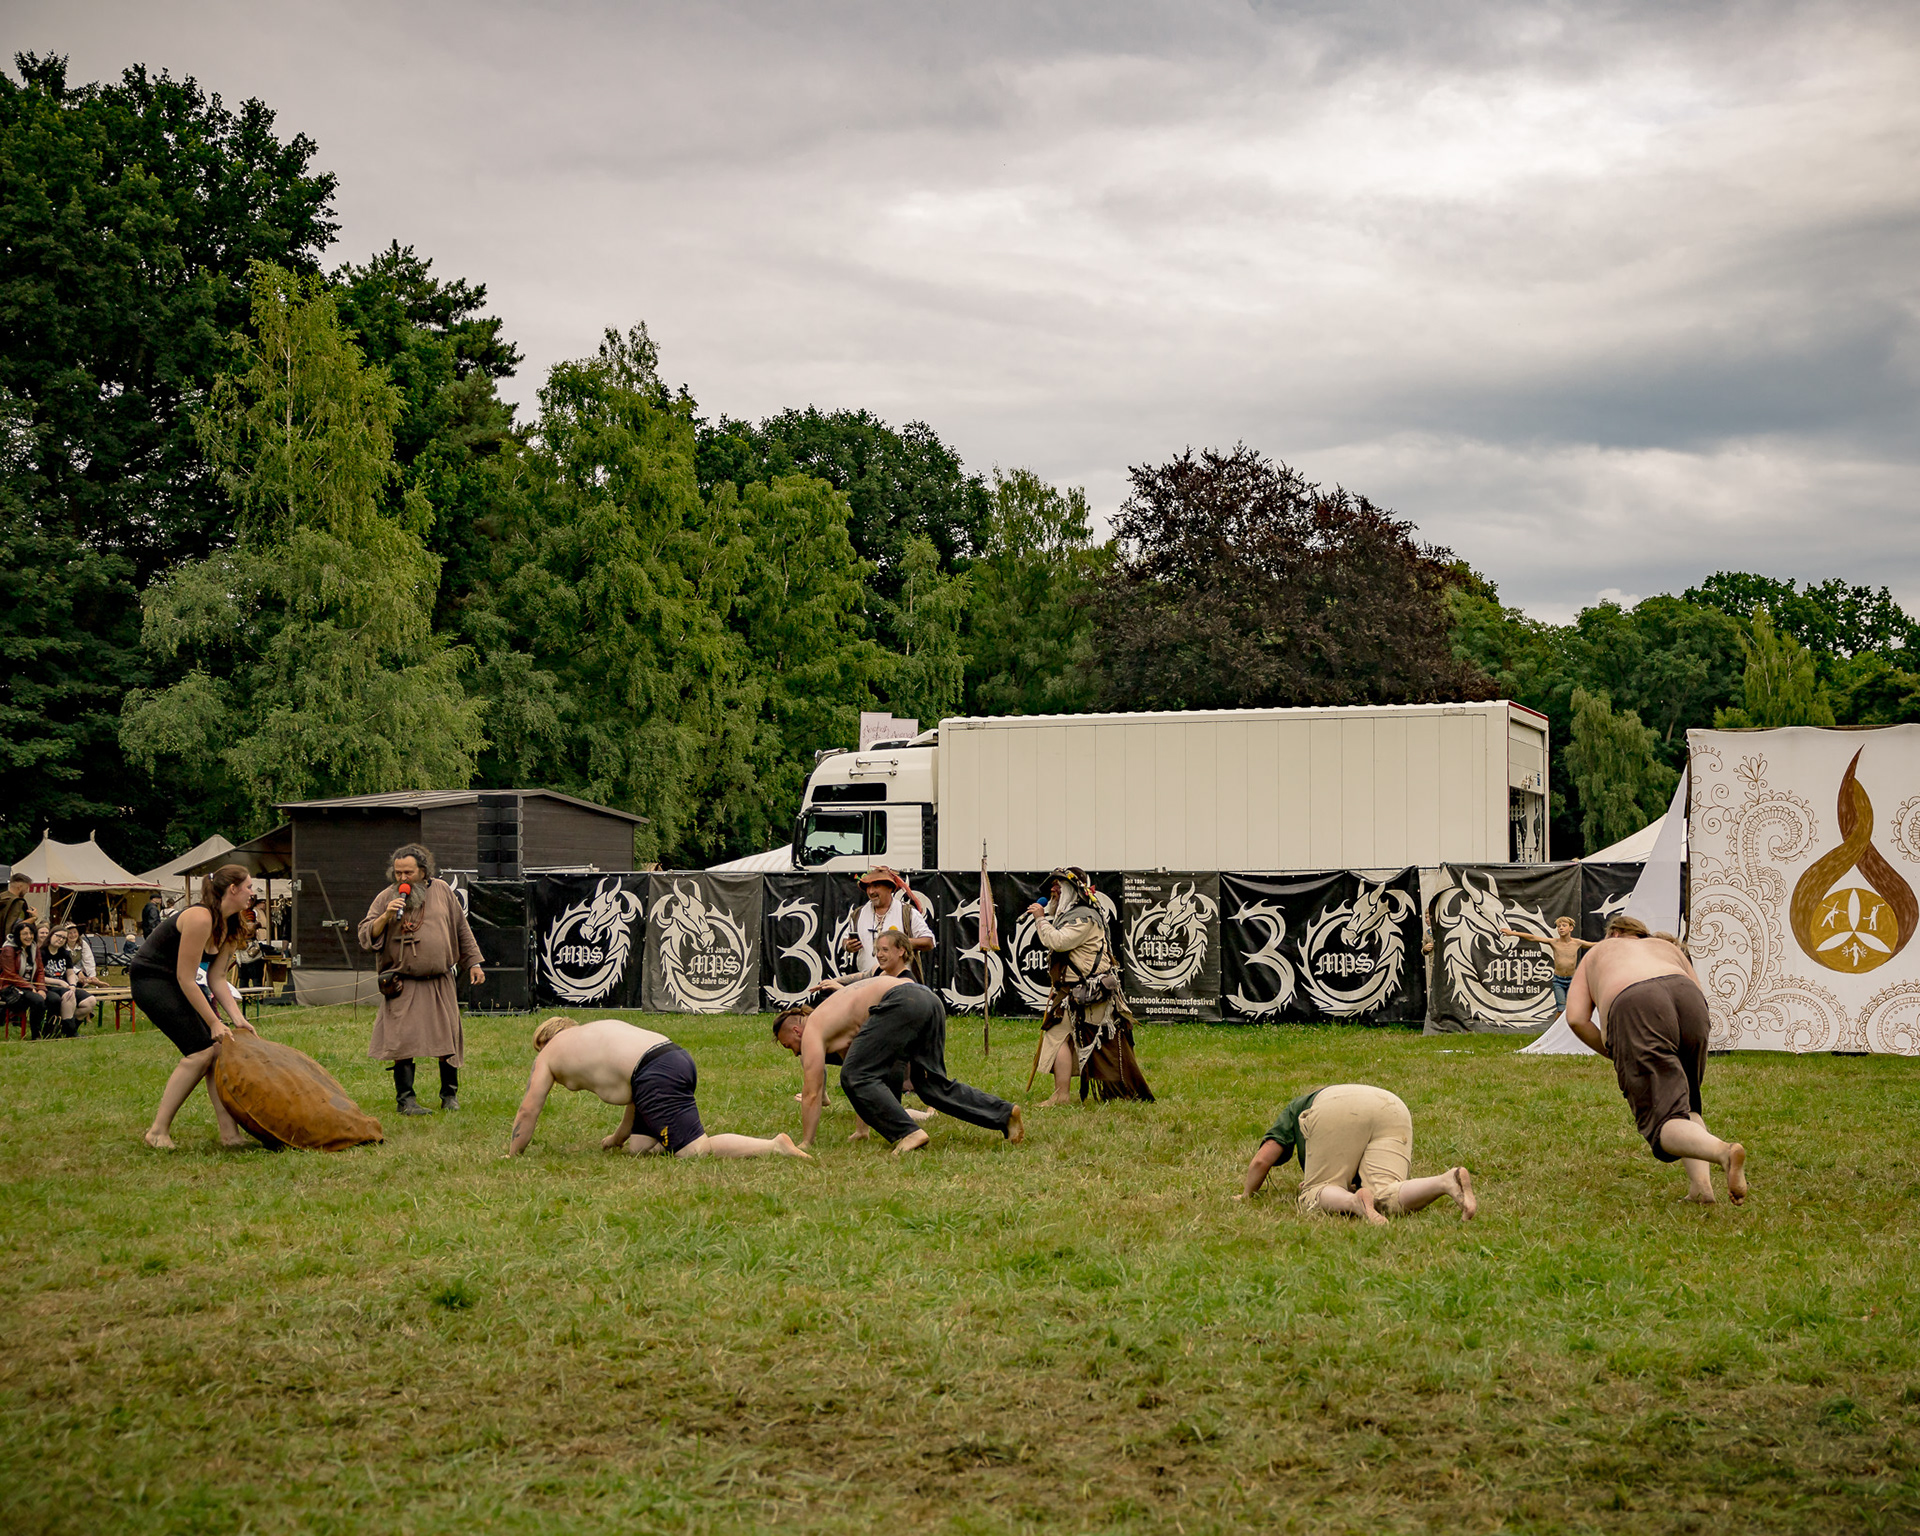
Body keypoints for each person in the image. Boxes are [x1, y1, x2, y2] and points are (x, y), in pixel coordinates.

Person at [775, 933, 1023, 1154]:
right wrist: (863, 1130)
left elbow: (812, 1093)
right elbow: (877, 1078)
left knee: (854, 1075)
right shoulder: (835, 1022)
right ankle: (1003, 1114)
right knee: (930, 1084)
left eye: (789, 1046)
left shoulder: (813, 1030)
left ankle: (908, 1133)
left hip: (902, 1000)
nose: (795, 1052)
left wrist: (806, 1142)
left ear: (797, 1030)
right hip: (928, 999)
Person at [1566, 915, 1748, 1205]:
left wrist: (1614, 1052)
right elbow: (1698, 992)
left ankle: (1723, 1152)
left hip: (1636, 1001)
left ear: (1613, 934)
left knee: (1664, 1119)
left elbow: (1576, 1018)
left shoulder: (1598, 952)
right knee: (1687, 1103)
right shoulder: (1666, 948)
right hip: (1688, 999)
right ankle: (1701, 1189)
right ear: (1641, 935)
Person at [508, 1015, 811, 1161]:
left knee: (694, 1152)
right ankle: (673, 1136)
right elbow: (637, 1093)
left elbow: (529, 1107)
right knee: (640, 1150)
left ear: (545, 1041)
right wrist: (617, 1138)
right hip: (670, 1058)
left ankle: (773, 1146)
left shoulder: (550, 1052)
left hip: (656, 1073)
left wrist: (513, 1153)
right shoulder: (593, 1033)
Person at [131, 864, 258, 1150]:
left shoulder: (231, 924)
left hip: (177, 980)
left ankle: (229, 1135)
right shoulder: (200, 917)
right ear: (233, 889)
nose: (253, 892)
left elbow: (217, 976)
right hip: (152, 979)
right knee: (200, 1051)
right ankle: (157, 1131)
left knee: (217, 1049)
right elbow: (186, 978)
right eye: (249, 886)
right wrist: (214, 1021)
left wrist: (237, 1019)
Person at [359, 844, 485, 1116]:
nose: (402, 878)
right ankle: (406, 1100)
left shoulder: (442, 892)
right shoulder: (385, 897)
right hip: (403, 982)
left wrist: (473, 962)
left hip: (440, 980)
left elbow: (461, 928)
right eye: (398, 873)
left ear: (424, 871)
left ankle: (449, 1096)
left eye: (409, 872)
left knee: (447, 1037)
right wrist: (385, 917)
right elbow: (366, 935)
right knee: (402, 1039)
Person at [1237, 1084, 1477, 1222]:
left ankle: (1355, 1203)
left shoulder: (1296, 1107)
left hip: (1335, 1107)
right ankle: (1445, 1181)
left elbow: (1262, 1160)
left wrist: (1247, 1195)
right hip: (1391, 1105)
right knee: (1386, 1193)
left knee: (1315, 1190)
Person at [1027, 867, 1153, 1106]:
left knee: (1098, 1042)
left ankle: (1068, 1094)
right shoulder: (1074, 914)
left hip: (1090, 992)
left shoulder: (1083, 917)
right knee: (1060, 1037)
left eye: (1058, 885)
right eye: (1052, 885)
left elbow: (1058, 941)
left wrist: (1040, 918)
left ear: (1074, 890)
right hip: (1072, 992)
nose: (1053, 890)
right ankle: (1062, 1094)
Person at [842, 866, 934, 976]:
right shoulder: (857, 914)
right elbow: (845, 940)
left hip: (899, 983)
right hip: (867, 983)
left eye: (876, 886)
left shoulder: (907, 912)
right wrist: (848, 946)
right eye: (868, 887)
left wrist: (901, 943)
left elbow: (928, 942)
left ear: (889, 888)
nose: (871, 891)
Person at [1501, 916, 1597, 1013]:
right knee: (1561, 1009)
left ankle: (1568, 1028)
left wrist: (1611, 941)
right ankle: (1555, 1028)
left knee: (1571, 1009)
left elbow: (1594, 945)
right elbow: (1533, 937)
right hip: (1558, 980)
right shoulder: (1554, 942)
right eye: (1559, 926)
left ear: (1571, 928)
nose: (1561, 928)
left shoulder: (1577, 943)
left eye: (1564, 925)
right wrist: (1513, 933)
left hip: (1572, 980)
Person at [0, 918, 48, 1039]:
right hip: (11, 987)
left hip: (30, 986)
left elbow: (40, 970)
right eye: (25, 934)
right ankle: (36, 1035)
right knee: (38, 1000)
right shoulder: (8, 949)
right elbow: (10, 974)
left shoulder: (34, 947)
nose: (29, 936)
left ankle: (51, 1030)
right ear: (18, 935)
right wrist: (31, 987)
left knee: (54, 999)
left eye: (31, 933)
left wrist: (41, 987)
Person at [40, 926, 87, 1038]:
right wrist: (59, 982)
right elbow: (39, 977)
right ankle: (71, 1031)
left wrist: (72, 985)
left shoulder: (65, 954)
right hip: (48, 986)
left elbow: (70, 973)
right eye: (58, 936)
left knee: (89, 1002)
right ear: (50, 936)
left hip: (65, 986)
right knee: (68, 995)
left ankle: (65, 1026)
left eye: (64, 938)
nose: (60, 939)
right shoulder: (41, 953)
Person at [0, 872, 32, 942]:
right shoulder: (17, 903)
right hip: (9, 944)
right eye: (26, 888)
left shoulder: (2, 897)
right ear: (19, 887)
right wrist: (34, 918)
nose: (27, 891)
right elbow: (17, 926)